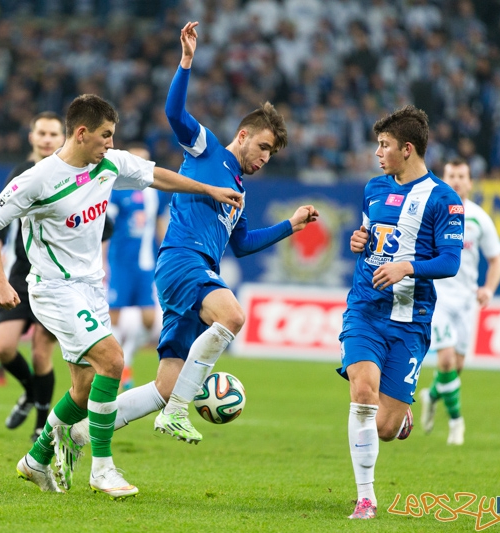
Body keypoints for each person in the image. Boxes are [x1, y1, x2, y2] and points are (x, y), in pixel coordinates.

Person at [58, 20, 318, 470]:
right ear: (243, 135)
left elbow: (243, 244)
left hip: (193, 271)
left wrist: (289, 227)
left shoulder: (237, 190)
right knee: (233, 315)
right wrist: (186, 62)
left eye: (271, 154)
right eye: (262, 146)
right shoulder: (208, 151)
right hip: (182, 262)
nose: (263, 157)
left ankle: (75, 436)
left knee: (164, 385)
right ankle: (180, 410)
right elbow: (176, 113)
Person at [0, 93, 243, 499]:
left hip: (90, 288)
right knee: (113, 360)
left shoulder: (109, 164)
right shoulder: (37, 179)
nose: (111, 143)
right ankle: (103, 469)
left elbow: (159, 176)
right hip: (53, 288)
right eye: (105, 136)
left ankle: (35, 460)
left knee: (84, 390)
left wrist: (208, 189)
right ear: (81, 133)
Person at [341, 105, 464, 519]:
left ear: (407, 149)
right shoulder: (375, 188)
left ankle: (402, 414)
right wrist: (359, 239)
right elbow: (370, 234)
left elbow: (450, 262)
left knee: (383, 428)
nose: (378, 152)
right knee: (362, 392)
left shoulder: (444, 199)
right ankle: (366, 498)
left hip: (409, 321)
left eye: (385, 145)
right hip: (365, 309)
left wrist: (408, 266)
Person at [0, 111, 110, 441]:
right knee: (3, 347)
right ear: (31, 137)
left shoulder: (82, 175)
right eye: (40, 133)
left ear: (65, 138)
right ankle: (31, 392)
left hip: (60, 280)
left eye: (52, 134)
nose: (46, 139)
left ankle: (42, 423)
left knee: (42, 352)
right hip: (20, 272)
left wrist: (101, 263)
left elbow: (104, 226)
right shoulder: (23, 174)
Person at [419, 159, 500, 446]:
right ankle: (457, 422)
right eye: (451, 176)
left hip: (467, 302)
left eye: (462, 176)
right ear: (443, 180)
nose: (456, 181)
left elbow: (497, 261)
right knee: (444, 360)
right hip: (438, 297)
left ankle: (431, 396)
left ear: (470, 182)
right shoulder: (433, 213)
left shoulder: (480, 218)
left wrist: (488, 290)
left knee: (455, 368)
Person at [105, 144, 168, 392]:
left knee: (150, 320)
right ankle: (113, 366)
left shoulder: (156, 193)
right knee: (115, 317)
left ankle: (126, 361)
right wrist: (101, 259)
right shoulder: (117, 190)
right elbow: (105, 226)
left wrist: (168, 251)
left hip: (146, 264)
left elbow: (160, 222)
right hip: (121, 262)